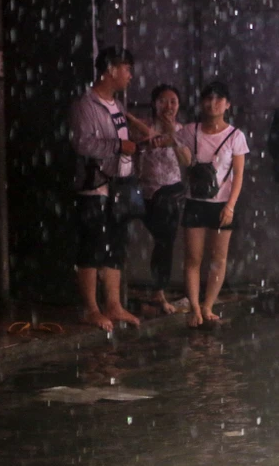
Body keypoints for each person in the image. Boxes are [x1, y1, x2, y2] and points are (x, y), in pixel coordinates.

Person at [69, 46, 145, 331]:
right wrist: (117, 146)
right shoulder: (85, 105)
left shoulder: (117, 105)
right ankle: (91, 308)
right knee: (92, 246)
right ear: (110, 70)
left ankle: (113, 305)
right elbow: (82, 143)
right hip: (95, 185)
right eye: (126, 69)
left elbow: (126, 139)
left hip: (120, 185)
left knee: (115, 245)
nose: (130, 75)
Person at [178, 81, 250, 329]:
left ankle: (208, 305)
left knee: (218, 258)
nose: (213, 104)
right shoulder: (190, 130)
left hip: (221, 204)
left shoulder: (235, 136)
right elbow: (176, 149)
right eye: (208, 99)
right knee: (193, 258)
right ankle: (194, 308)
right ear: (201, 103)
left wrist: (230, 206)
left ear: (227, 104)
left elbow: (238, 175)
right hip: (195, 201)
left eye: (219, 99)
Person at [138, 84, 191, 314]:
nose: (168, 106)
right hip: (145, 190)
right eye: (163, 101)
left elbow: (187, 160)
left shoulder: (182, 130)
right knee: (161, 240)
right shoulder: (144, 127)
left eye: (173, 101)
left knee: (165, 241)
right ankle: (154, 290)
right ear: (154, 104)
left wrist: (173, 135)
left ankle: (159, 291)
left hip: (171, 191)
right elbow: (133, 149)